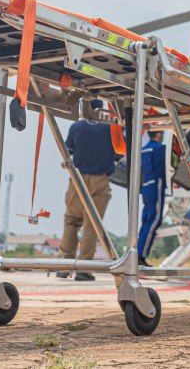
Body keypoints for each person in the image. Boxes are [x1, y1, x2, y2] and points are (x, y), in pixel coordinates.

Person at [57, 118, 118, 281]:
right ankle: (83, 268)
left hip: (77, 178)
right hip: (100, 180)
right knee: (92, 225)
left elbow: (67, 150)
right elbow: (120, 152)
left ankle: (65, 265)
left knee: (71, 220)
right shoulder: (111, 129)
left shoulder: (76, 127)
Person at [137, 131, 167, 266]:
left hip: (146, 187)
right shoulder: (161, 148)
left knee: (146, 221)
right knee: (154, 220)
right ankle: (141, 255)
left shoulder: (143, 149)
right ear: (159, 134)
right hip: (156, 185)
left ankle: (138, 253)